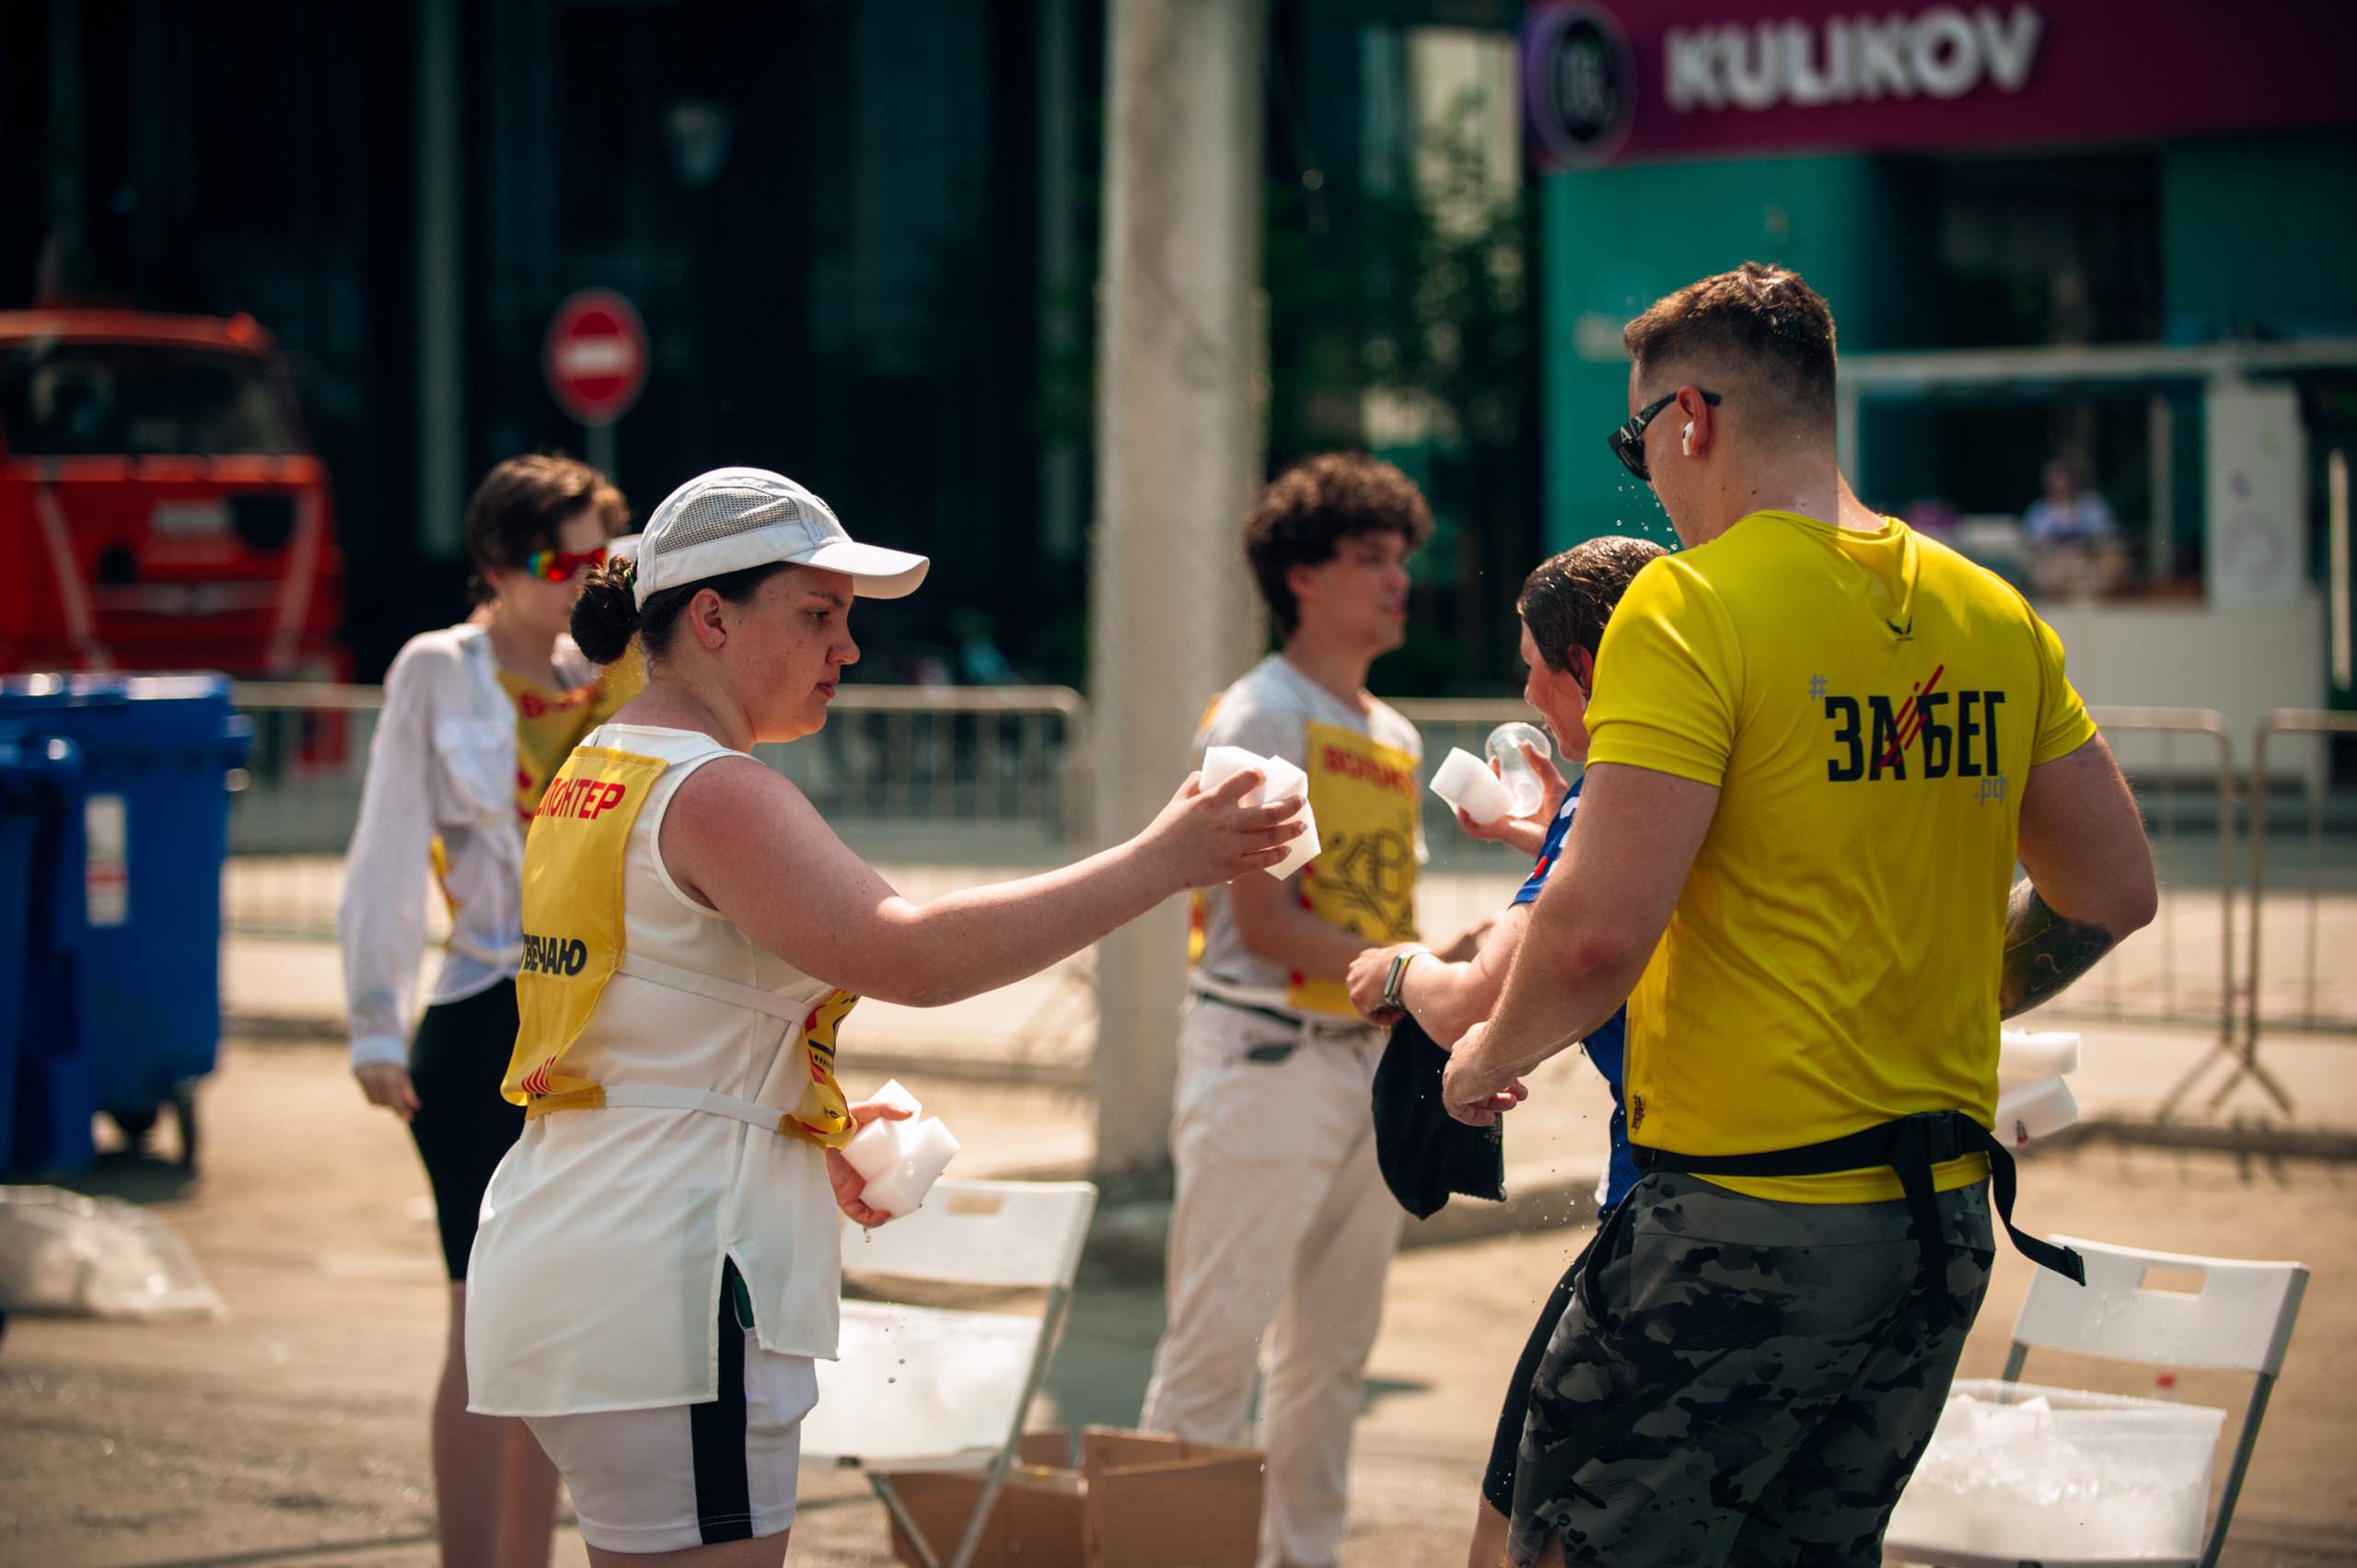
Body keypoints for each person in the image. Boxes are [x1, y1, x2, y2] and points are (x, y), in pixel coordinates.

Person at [1443, 263, 2158, 1566]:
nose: (1646, 476)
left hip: (1744, 1220)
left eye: (1636, 442)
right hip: (1937, 1225)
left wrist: (1483, 1056)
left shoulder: (1690, 603)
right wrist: (1931, 987)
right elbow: (2110, 888)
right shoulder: (1987, 608)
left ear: (1691, 420)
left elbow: (1597, 932)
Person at [461, 467, 1299, 1565]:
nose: (847, 647)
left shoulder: (598, 766)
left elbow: (642, 1023)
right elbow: (911, 953)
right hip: (679, 1284)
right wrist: (1158, 861)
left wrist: (799, 1123)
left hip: (593, 1243)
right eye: (818, 613)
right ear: (710, 617)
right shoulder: (713, 787)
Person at [1139, 451, 1467, 1568]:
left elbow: (1371, 919)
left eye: (1401, 558)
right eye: (1371, 557)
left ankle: (1304, 1554)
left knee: (1333, 1358)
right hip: (1262, 1055)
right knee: (1213, 1353)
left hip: (1365, 1063)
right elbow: (1267, 922)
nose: (1398, 579)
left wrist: (1439, 963)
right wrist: (1416, 970)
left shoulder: (1396, 735)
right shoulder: (1260, 712)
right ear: (1301, 577)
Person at [340, 452, 640, 1568]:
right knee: (483, 1322)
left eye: (600, 561)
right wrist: (373, 1023)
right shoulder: (438, 669)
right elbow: (384, 849)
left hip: (590, 1028)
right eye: (561, 561)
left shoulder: (613, 671)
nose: (583, 581)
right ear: (499, 563)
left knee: (558, 1329)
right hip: (480, 1017)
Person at [1339, 536, 1663, 1568]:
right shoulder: (1708, 772)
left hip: (1674, 1205)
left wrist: (1396, 970)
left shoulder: (1607, 794)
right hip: (1858, 1200)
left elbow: (1471, 1001)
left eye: (1532, 664)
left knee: (1518, 1530)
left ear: (1586, 667)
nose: (1524, 691)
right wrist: (1548, 836)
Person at [2023, 450, 2124, 599]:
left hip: (2088, 563)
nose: (2061, 483)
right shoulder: (2038, 512)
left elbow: (2106, 540)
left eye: (2065, 476)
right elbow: (2034, 548)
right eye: (2056, 477)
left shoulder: (2093, 506)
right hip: (2055, 568)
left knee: (2113, 554)